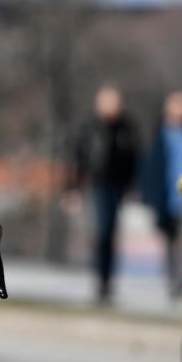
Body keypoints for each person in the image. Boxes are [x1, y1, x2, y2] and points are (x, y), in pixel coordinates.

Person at [69, 85, 138, 303]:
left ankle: (107, 280)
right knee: (102, 230)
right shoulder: (90, 127)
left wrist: (132, 187)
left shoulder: (126, 128)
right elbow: (78, 159)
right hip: (97, 184)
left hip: (117, 186)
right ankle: (100, 279)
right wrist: (73, 188)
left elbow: (134, 160)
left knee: (111, 232)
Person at [141, 91, 182, 297]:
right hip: (167, 198)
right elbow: (152, 169)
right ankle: (172, 281)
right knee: (170, 242)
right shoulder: (160, 135)